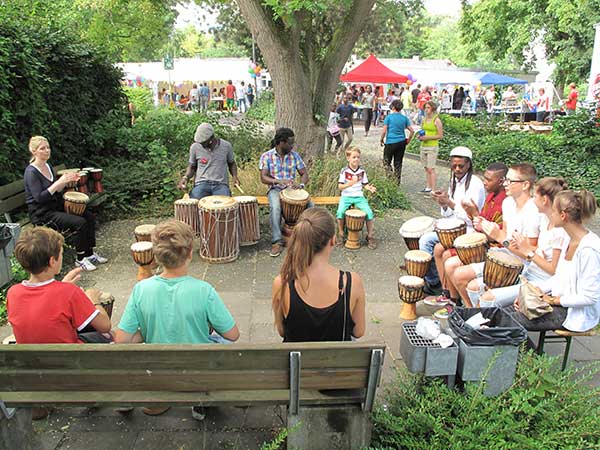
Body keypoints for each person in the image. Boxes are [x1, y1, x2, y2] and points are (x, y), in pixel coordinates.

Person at [116, 220, 240, 417]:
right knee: (221, 341)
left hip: (159, 372)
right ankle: (200, 400)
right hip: (197, 373)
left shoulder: (141, 289)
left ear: (156, 256)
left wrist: (149, 328)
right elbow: (233, 335)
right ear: (190, 253)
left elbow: (121, 340)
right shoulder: (203, 290)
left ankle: (159, 401)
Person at [511, 190, 600, 334]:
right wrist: (535, 292)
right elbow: (560, 277)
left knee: (510, 320)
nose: (550, 214)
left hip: (576, 316)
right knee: (505, 311)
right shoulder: (568, 238)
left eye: (553, 211)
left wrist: (553, 301)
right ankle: (526, 354)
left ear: (563, 216)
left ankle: (531, 355)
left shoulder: (589, 249)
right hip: (559, 303)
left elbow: (590, 297)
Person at [450, 163, 541, 305]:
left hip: (521, 265)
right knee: (457, 273)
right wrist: (485, 227)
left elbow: (530, 253)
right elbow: (505, 234)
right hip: (503, 252)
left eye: (510, 181)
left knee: (466, 280)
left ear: (525, 185)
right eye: (506, 179)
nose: (505, 184)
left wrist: (498, 236)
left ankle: (477, 315)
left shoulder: (533, 211)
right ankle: (471, 311)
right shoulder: (508, 203)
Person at [271, 208, 366, 342]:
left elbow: (282, 332)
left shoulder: (282, 283)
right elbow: (358, 332)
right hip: (339, 362)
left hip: (297, 362)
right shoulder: (352, 282)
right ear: (333, 240)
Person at [473, 177, 569, 308]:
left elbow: (553, 270)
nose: (532, 199)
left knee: (487, 298)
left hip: (542, 282)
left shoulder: (560, 231)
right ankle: (481, 324)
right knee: (474, 286)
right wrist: (520, 244)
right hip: (527, 272)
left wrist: (527, 251)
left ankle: (484, 325)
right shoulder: (545, 220)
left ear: (544, 200)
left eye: (535, 196)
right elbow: (537, 250)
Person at [7, 226, 112, 344]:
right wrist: (94, 300)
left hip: (30, 360)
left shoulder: (13, 293)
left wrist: (61, 286)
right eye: (61, 254)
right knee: (110, 336)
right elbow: (105, 326)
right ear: (52, 261)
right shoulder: (69, 292)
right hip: (69, 360)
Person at [428, 162, 508, 308]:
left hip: (491, 248)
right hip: (479, 238)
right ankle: (450, 297)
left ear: (501, 181)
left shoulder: (504, 202)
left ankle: (463, 306)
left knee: (446, 256)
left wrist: (472, 213)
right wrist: (446, 204)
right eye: (485, 178)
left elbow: (490, 233)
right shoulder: (491, 195)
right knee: (440, 249)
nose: (485, 182)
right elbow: (480, 223)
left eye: (489, 179)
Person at [24, 136, 107, 271]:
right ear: (34, 151)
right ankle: (80, 259)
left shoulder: (48, 166)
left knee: (89, 217)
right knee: (79, 223)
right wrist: (59, 182)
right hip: (42, 213)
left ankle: (89, 254)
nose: (47, 151)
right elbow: (39, 198)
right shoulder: (31, 172)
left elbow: (55, 191)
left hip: (56, 206)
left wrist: (67, 183)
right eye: (42, 148)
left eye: (48, 147)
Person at [418, 147, 486, 296]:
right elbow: (448, 214)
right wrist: (443, 203)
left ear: (469, 164)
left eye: (460, 166)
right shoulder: (454, 180)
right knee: (425, 237)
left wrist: (449, 202)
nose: (457, 169)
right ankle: (436, 281)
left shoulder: (475, 184)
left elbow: (472, 217)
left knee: (426, 241)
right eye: (453, 165)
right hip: (454, 227)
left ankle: (434, 282)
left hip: (469, 231)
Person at [259, 128, 310, 257]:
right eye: (290, 143)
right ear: (281, 142)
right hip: (275, 189)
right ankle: (276, 241)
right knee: (275, 207)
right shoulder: (267, 156)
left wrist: (301, 184)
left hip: (292, 190)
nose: (292, 146)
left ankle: (308, 238)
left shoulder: (294, 155)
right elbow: (263, 178)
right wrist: (278, 181)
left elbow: (304, 174)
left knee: (311, 207)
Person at [178, 123, 239, 199]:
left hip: (220, 184)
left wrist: (235, 177)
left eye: (203, 143)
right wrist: (185, 178)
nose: (201, 144)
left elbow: (232, 163)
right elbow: (192, 167)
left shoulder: (226, 146)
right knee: (194, 201)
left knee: (225, 203)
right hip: (201, 183)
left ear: (211, 139)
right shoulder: (195, 147)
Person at [336, 148, 377, 249]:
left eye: (358, 157)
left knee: (369, 213)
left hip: (359, 196)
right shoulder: (344, 171)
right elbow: (340, 187)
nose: (356, 159)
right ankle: (341, 234)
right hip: (346, 196)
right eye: (354, 157)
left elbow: (365, 184)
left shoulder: (362, 171)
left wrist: (369, 188)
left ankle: (370, 236)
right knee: (340, 212)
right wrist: (349, 184)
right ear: (348, 158)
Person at [380, 99, 413, 184]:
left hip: (390, 142)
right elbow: (412, 131)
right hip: (401, 142)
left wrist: (381, 139)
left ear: (393, 107)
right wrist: (408, 140)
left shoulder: (389, 117)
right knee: (398, 163)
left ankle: (390, 178)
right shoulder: (404, 118)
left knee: (386, 161)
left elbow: (384, 131)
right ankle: (397, 182)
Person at [418, 101, 443, 193]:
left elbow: (440, 135)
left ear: (432, 109)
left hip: (432, 146)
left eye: (428, 108)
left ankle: (433, 189)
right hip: (423, 145)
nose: (426, 109)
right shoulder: (424, 119)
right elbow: (422, 130)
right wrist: (420, 137)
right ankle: (428, 186)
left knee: (431, 168)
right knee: (426, 167)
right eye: (425, 108)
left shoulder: (436, 120)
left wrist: (428, 137)